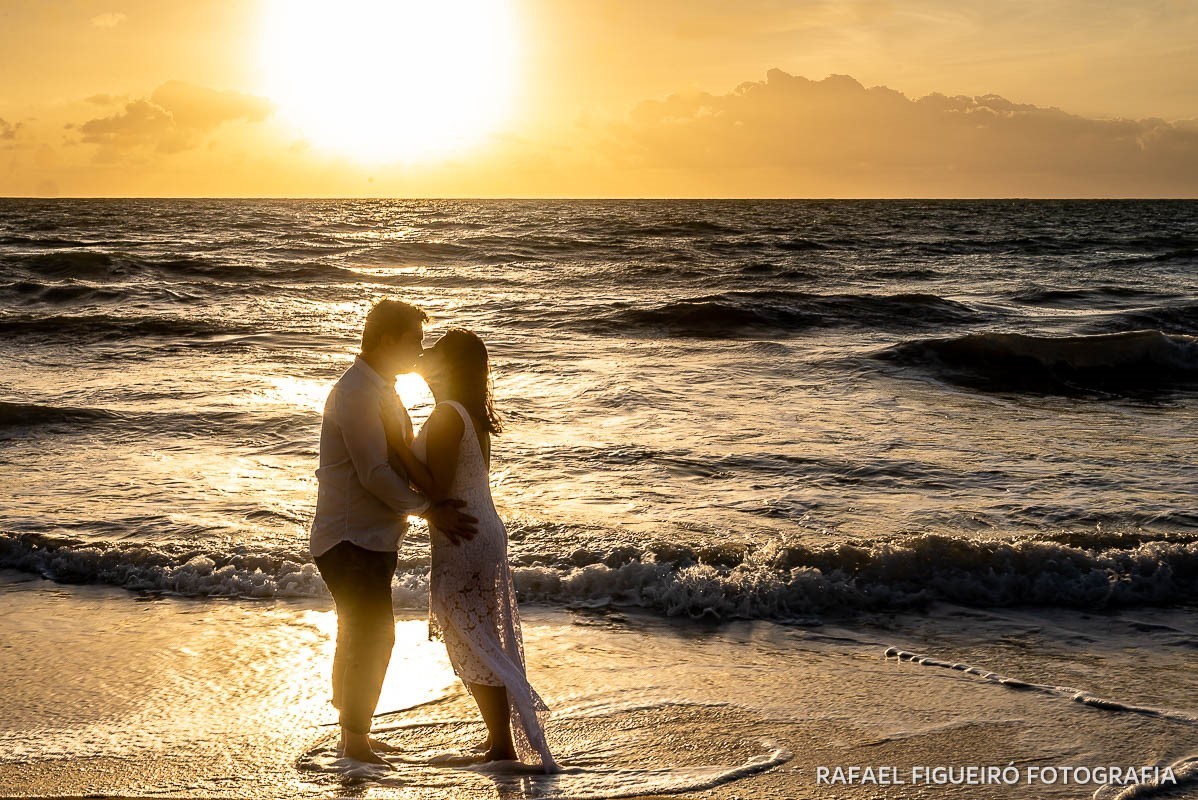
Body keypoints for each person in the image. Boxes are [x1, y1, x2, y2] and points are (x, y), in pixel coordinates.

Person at [309, 300, 477, 767]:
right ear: (387, 340)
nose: (419, 350)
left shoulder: (381, 387)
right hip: (349, 539)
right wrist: (430, 511)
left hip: (370, 537)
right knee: (375, 636)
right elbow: (374, 473)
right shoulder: (358, 392)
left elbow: (396, 457)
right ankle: (356, 741)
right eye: (414, 341)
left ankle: (352, 735)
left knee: (357, 633)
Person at [383, 329, 559, 773]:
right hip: (480, 532)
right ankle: (500, 741)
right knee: (480, 634)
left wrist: (398, 445)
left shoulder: (447, 416)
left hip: (465, 538)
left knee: (471, 636)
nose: (424, 360)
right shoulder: (469, 414)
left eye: (433, 355)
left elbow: (436, 487)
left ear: (449, 368)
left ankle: (502, 741)